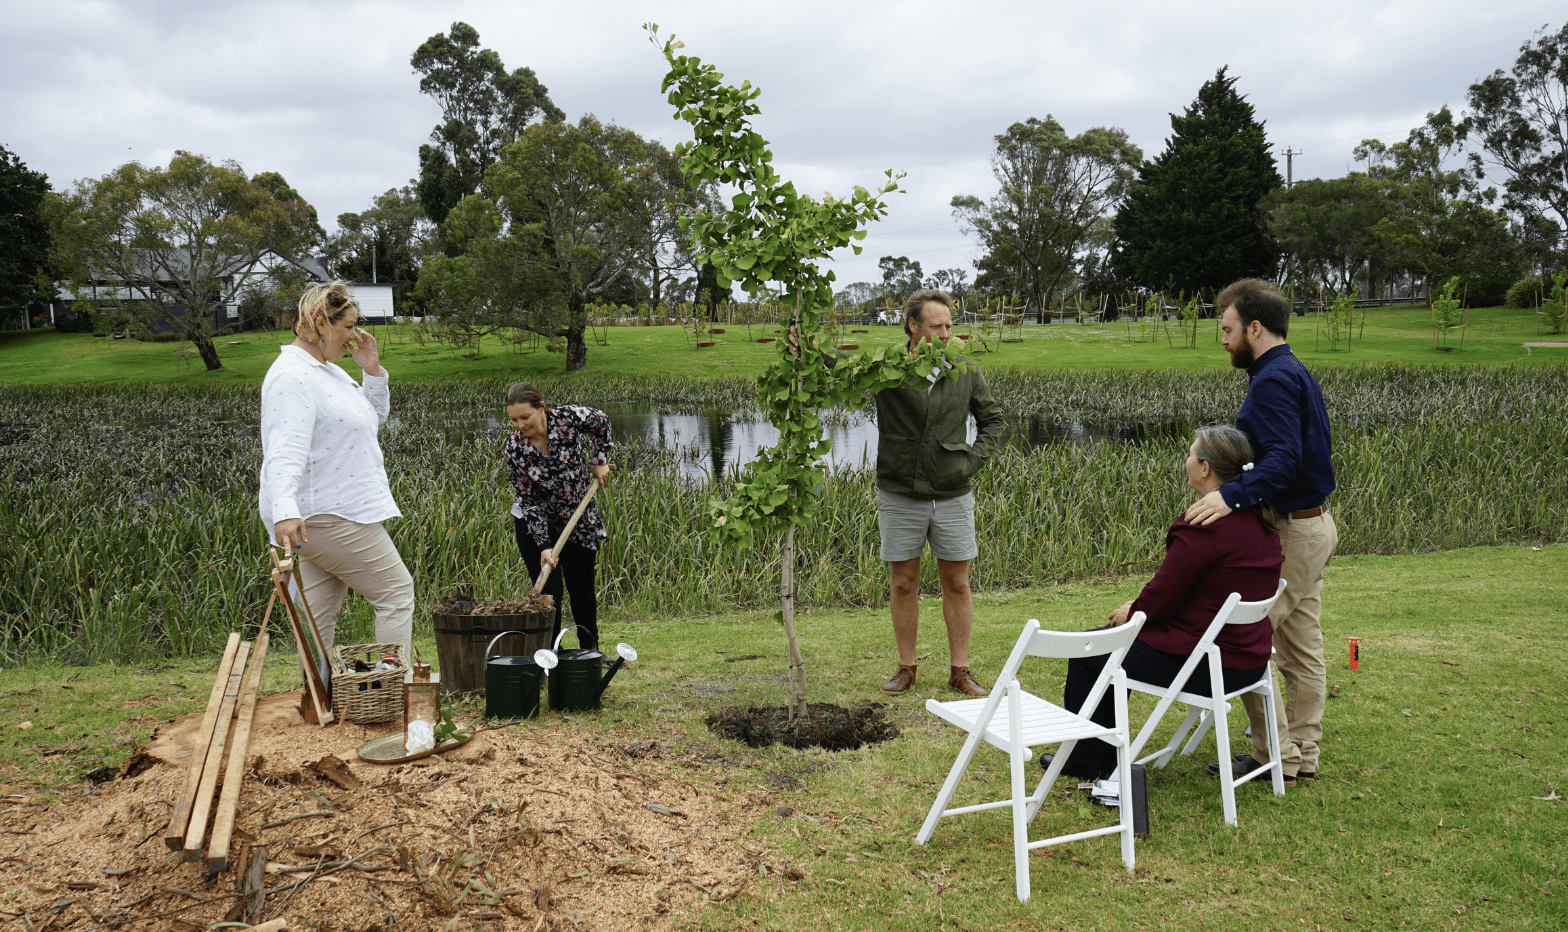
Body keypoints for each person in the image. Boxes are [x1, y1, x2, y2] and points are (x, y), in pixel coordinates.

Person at [1055, 426, 1284, 780]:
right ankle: (1093, 755)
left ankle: (1090, 762)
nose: (1188, 461)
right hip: (1249, 663)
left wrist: (1132, 611)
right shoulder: (1261, 519)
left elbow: (1161, 597)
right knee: (1107, 642)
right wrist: (1140, 605)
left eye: (1191, 455)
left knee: (1091, 653)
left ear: (1205, 468)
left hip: (1209, 666)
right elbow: (1202, 590)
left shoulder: (1204, 526)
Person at [1187, 278, 1337, 785]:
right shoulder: (1290, 369)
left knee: (1247, 635)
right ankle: (1300, 753)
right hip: (1315, 524)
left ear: (1254, 327)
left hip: (1296, 532)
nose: (1222, 339)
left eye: (1226, 329)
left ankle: (1274, 753)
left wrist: (1226, 496)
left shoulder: (1272, 381)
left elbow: (1284, 463)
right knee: (1301, 643)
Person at [259, 281, 414, 666]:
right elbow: (284, 449)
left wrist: (372, 371)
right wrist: (285, 511)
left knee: (317, 613)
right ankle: (395, 687)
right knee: (396, 592)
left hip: (330, 510)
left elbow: (371, 419)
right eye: (348, 327)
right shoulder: (292, 376)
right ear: (319, 323)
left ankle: (320, 698)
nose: (355, 336)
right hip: (326, 512)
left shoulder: (327, 372)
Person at [876, 289, 1006, 697]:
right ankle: (906, 667)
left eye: (950, 325)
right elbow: (843, 369)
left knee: (958, 582)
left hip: (952, 494)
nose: (947, 333)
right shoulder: (888, 369)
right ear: (913, 326)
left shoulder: (964, 370)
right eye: (937, 326)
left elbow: (994, 423)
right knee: (903, 583)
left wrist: (968, 463)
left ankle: (960, 671)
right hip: (899, 492)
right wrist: (805, 347)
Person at [503, 383, 615, 650]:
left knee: (582, 590)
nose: (519, 425)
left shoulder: (567, 419)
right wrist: (544, 546)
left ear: (541, 407)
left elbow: (601, 422)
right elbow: (528, 500)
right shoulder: (515, 449)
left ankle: (590, 652)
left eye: (524, 417)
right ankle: (553, 655)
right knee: (550, 592)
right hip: (535, 522)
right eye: (513, 420)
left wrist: (599, 460)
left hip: (577, 516)